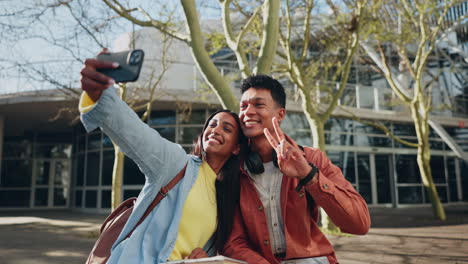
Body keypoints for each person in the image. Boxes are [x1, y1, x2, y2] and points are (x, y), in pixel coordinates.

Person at [79, 53, 247, 263]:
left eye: (226, 128)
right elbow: (135, 132)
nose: (215, 130)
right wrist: (100, 95)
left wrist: (206, 257)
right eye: (211, 124)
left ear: (236, 148)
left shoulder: (228, 196)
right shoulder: (177, 164)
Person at [222, 75, 371, 264]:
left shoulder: (312, 159)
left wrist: (309, 176)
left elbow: (359, 224)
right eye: (243, 106)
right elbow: (233, 242)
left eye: (258, 105)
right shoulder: (235, 169)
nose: (247, 112)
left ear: (280, 114)